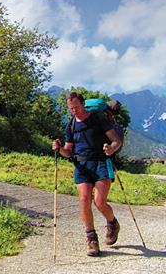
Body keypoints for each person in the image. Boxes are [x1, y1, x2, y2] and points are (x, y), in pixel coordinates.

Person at [52, 92, 123, 257]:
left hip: (101, 163)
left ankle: (112, 224)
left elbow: (116, 140)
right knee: (84, 201)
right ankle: (92, 239)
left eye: (76, 107)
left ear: (83, 104)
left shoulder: (98, 118)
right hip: (81, 165)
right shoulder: (70, 125)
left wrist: (111, 149)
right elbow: (68, 152)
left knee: (99, 202)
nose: (74, 111)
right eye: (71, 108)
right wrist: (60, 149)